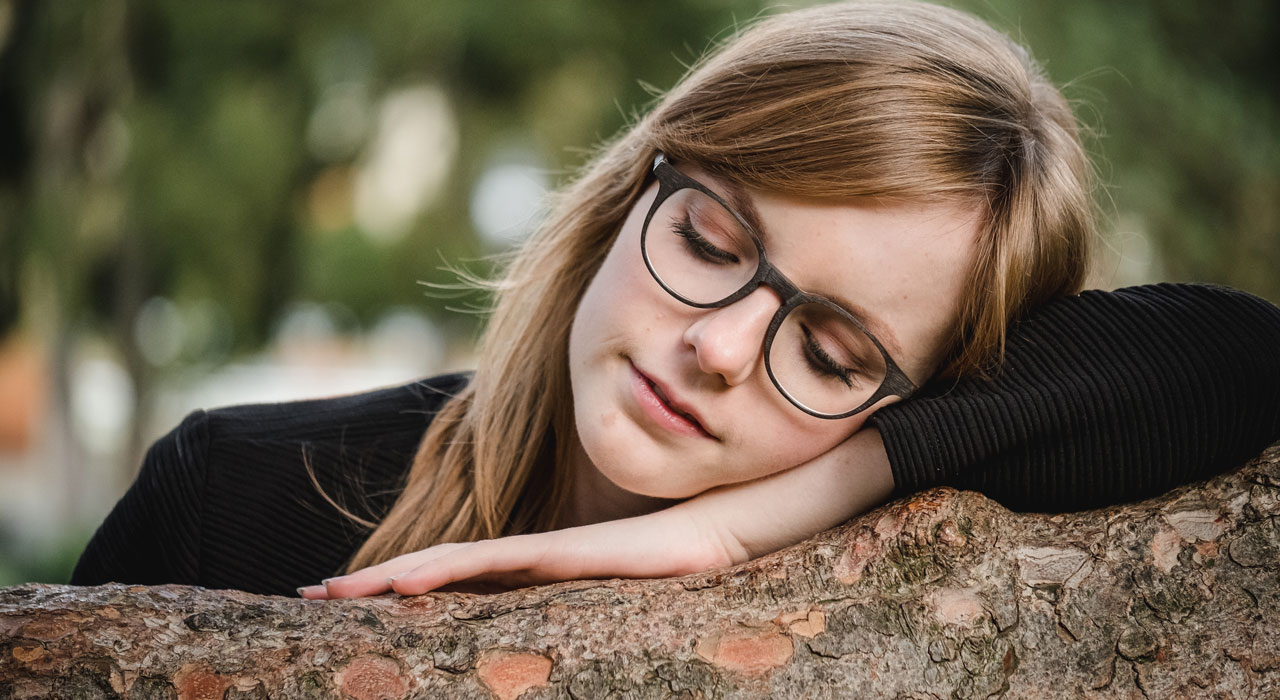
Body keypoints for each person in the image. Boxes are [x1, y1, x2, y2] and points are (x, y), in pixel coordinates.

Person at [71, 0, 1280, 599]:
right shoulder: (227, 498)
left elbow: (1237, 354)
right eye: (709, 239)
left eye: (830, 348)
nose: (716, 348)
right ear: (627, 193)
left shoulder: (872, 570)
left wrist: (739, 527)